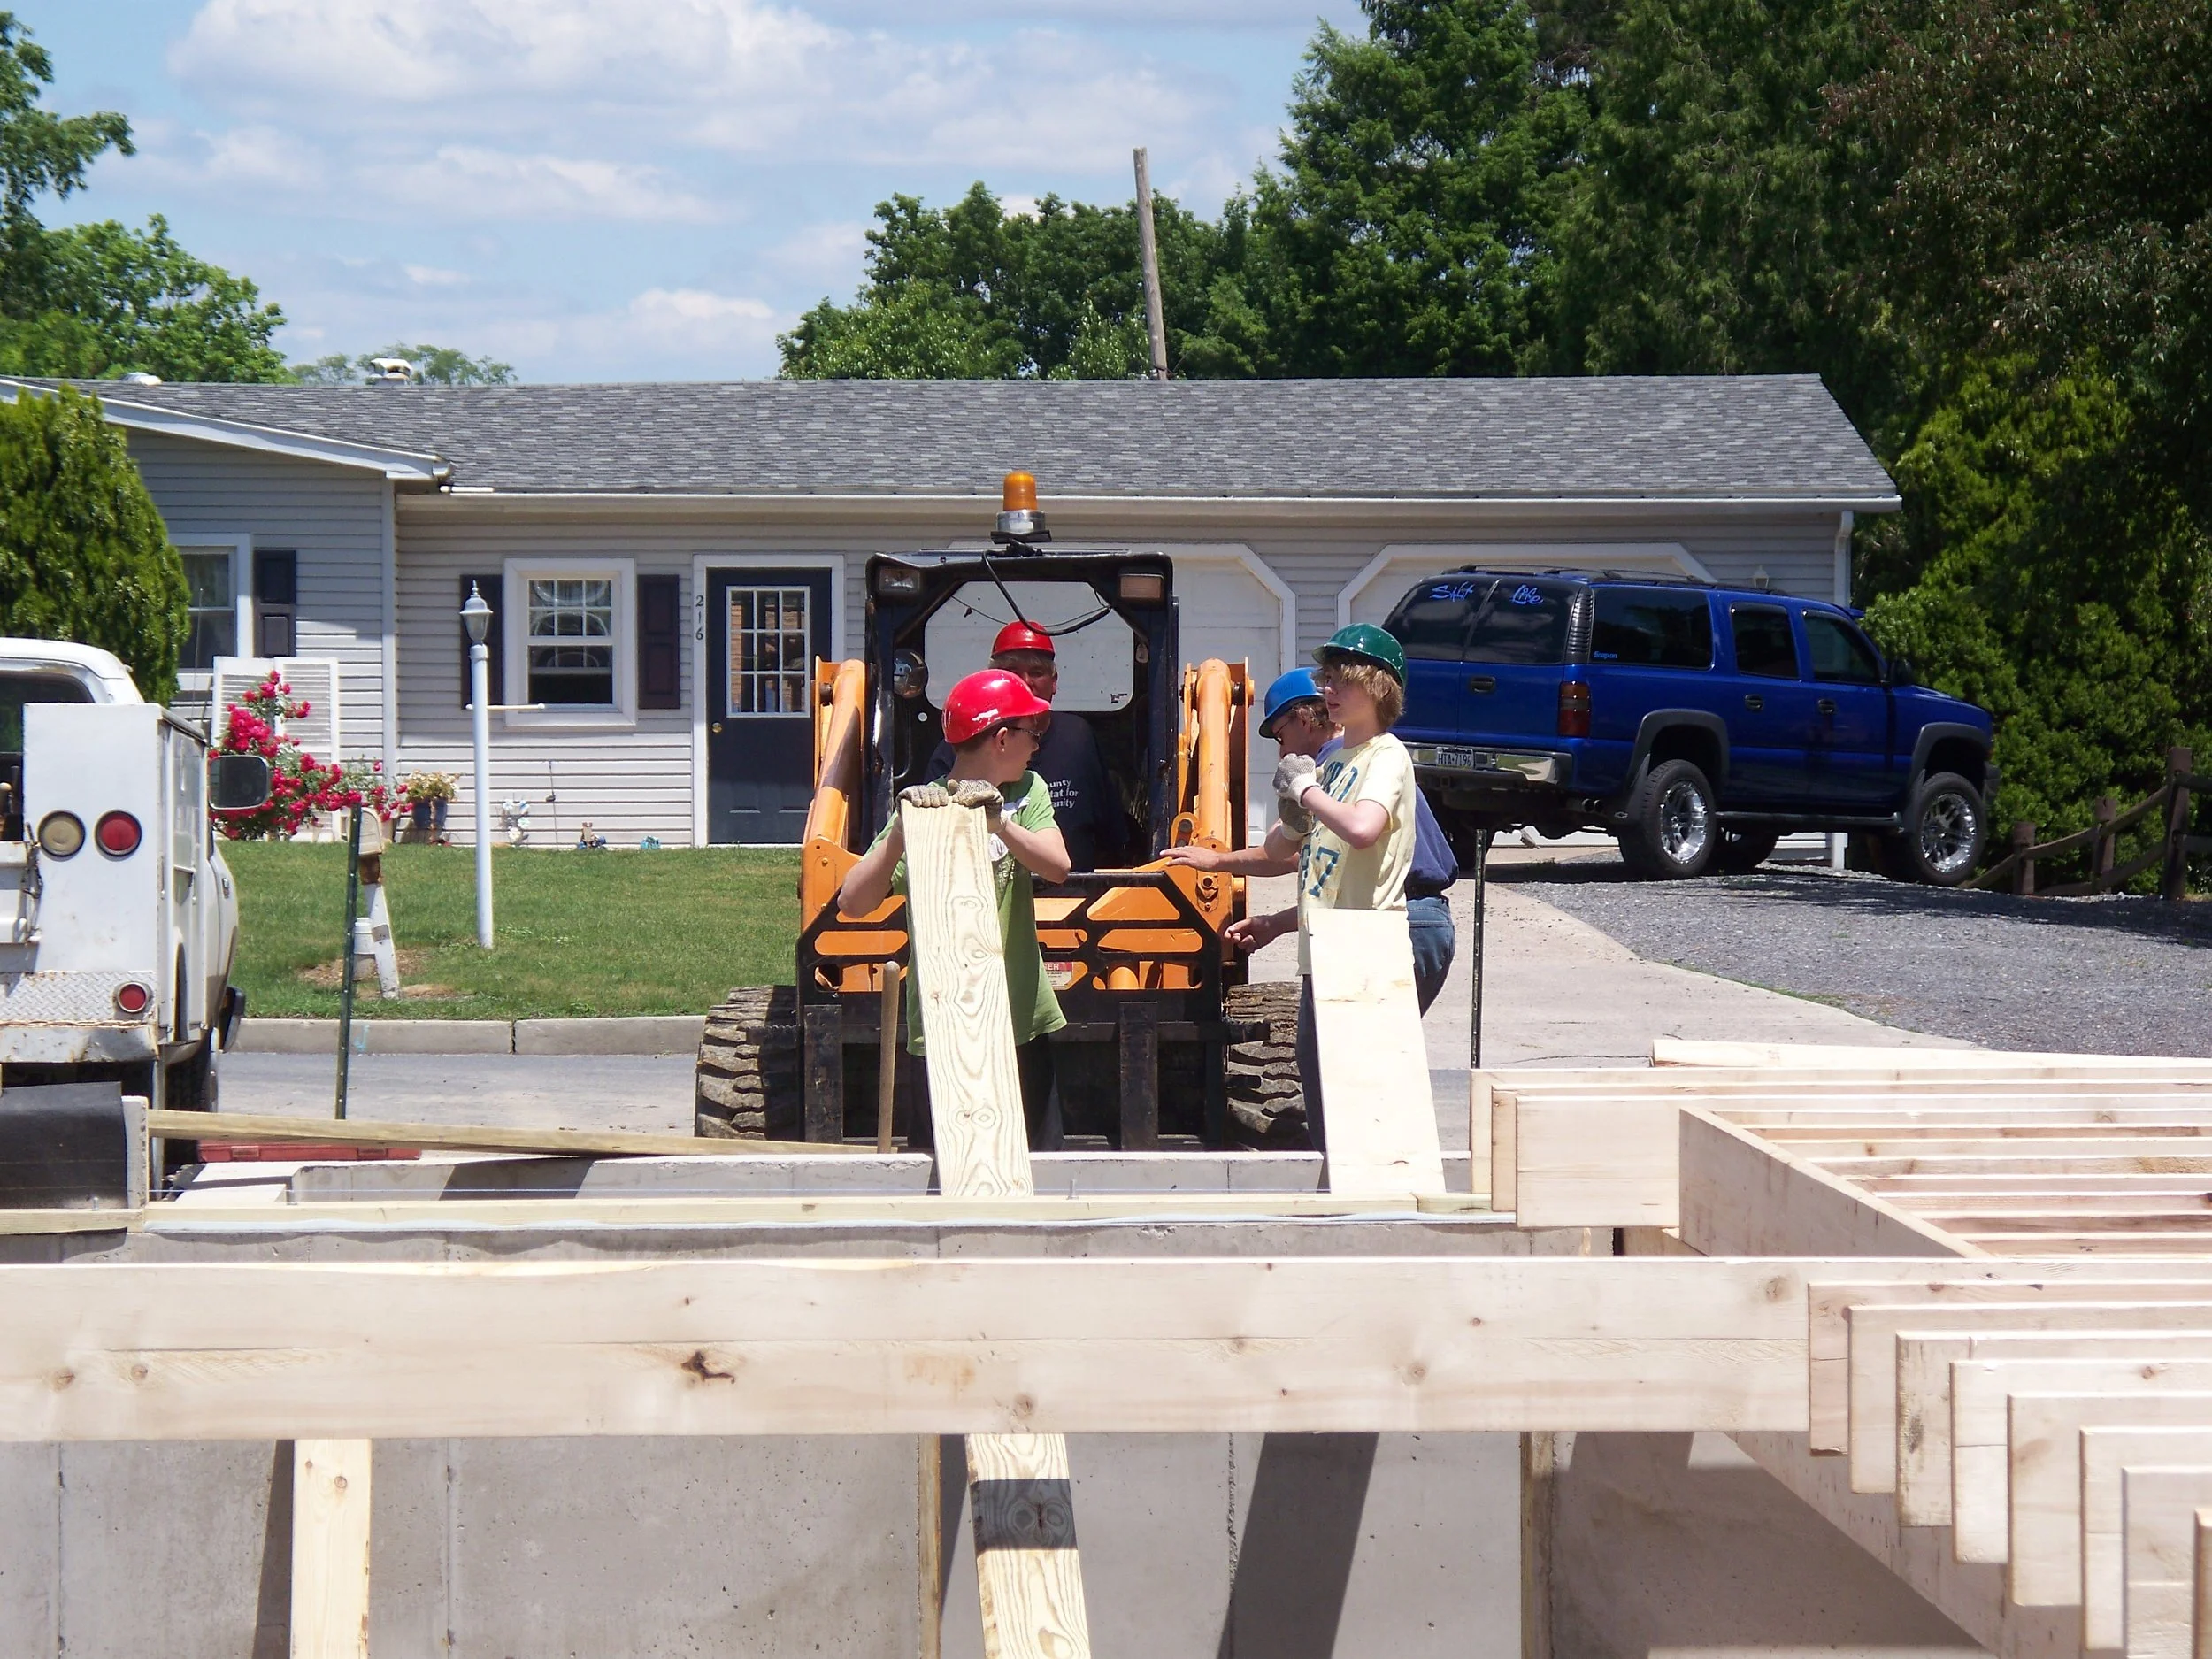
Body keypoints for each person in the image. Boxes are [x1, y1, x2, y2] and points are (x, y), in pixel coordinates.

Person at [841, 668, 1072, 1149]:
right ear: (1002, 738)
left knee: (1038, 1163)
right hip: (943, 1026)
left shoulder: (1026, 792)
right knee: (946, 1165)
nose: (1037, 745)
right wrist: (902, 832)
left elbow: (1057, 867)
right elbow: (853, 902)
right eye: (1032, 734)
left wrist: (1000, 824)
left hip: (1020, 1021)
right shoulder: (925, 808)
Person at [1164, 664, 1458, 1011]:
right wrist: (1274, 923)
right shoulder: (1357, 764)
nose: (1280, 751)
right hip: (1420, 920)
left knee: (1346, 1057)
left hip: (1393, 922)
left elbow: (1288, 854)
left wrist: (1217, 861)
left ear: (1303, 719)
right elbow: (1331, 877)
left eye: (1279, 736)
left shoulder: (1335, 764)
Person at [1266, 626, 1422, 1152]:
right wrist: (1290, 806)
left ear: (1377, 687)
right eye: (1326, 680)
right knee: (1323, 1101)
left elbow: (1361, 829)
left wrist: (1306, 791)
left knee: (1361, 1102)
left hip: (1365, 948)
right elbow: (1278, 850)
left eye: (1341, 682)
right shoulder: (1332, 760)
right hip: (1325, 949)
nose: (1328, 692)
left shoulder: (1386, 755)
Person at [928, 620, 1124, 870]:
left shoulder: (1077, 739)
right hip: (983, 897)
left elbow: (1109, 833)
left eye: (1037, 672)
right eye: (1012, 672)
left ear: (1054, 681)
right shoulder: (962, 746)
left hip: (1072, 896)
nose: (1024, 682)